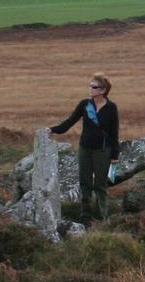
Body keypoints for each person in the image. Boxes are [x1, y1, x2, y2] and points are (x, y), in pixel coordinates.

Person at [50, 74, 120, 222]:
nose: (91, 89)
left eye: (94, 87)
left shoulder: (111, 108)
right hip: (85, 149)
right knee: (84, 183)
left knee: (100, 185)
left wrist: (114, 155)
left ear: (103, 90)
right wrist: (52, 130)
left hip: (103, 150)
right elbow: (69, 122)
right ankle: (86, 215)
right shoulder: (85, 105)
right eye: (90, 86)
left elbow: (114, 132)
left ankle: (103, 216)